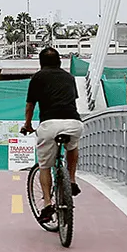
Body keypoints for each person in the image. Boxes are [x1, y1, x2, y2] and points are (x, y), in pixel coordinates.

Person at [21, 47, 84, 223]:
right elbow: (72, 101)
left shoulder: (38, 77)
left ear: (41, 63)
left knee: (45, 166)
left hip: (49, 125)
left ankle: (48, 205)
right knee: (72, 146)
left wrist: (27, 125)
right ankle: (71, 180)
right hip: (73, 123)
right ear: (59, 62)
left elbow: (30, 106)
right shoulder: (69, 78)